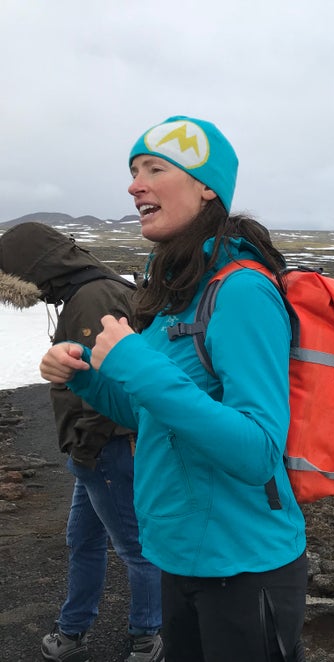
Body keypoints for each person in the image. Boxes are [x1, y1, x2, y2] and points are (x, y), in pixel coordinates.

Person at [39, 116, 308, 662]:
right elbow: (151, 416)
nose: (135, 184)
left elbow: (258, 450)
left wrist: (137, 364)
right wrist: (87, 377)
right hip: (180, 555)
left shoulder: (242, 291)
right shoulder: (177, 292)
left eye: (155, 168)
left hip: (246, 563)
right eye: (134, 170)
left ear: (206, 186)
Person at [0, 222, 164, 662]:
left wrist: (88, 444)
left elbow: (112, 381)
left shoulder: (92, 298)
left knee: (136, 548)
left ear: (34, 268)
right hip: (93, 450)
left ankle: (147, 636)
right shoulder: (91, 289)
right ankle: (73, 629)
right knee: (84, 540)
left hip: (105, 448)